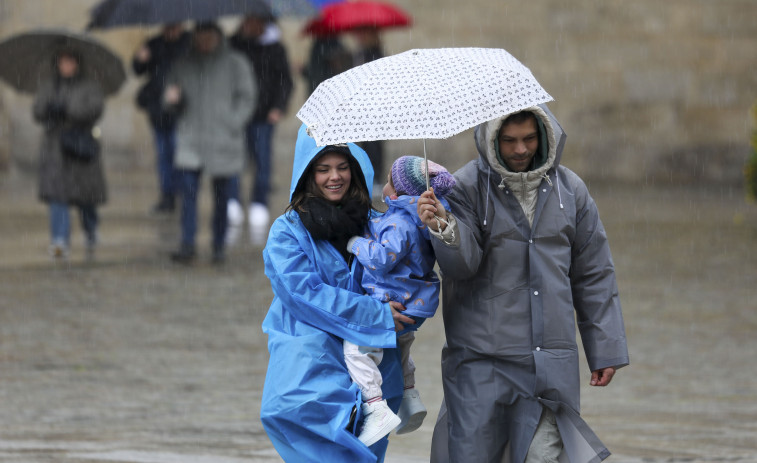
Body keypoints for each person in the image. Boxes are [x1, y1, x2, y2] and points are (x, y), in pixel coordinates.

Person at [417, 105, 630, 462]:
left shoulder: (571, 190)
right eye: (510, 140)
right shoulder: (464, 186)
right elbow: (461, 267)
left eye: (529, 139)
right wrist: (444, 227)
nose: (520, 150)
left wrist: (604, 348)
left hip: (549, 366)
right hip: (479, 362)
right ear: (492, 140)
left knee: (543, 455)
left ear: (545, 136)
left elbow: (593, 273)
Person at [260, 124, 414, 462]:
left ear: (357, 169)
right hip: (309, 372)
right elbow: (304, 295)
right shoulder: (287, 233)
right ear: (307, 173)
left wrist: (429, 224)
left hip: (374, 376)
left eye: (343, 167)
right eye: (323, 168)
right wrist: (376, 316)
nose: (335, 177)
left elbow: (410, 284)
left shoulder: (380, 225)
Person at [345, 155, 456, 445]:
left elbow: (383, 259)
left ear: (396, 191)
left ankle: (375, 405)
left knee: (355, 350)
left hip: (392, 300)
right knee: (404, 346)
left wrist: (357, 243)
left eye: (389, 180)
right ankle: (410, 396)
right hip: (413, 304)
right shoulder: (422, 220)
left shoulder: (399, 223)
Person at [163, 22, 256, 264]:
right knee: (188, 195)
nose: (204, 43)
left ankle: (218, 244)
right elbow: (170, 100)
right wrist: (173, 100)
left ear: (217, 38)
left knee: (222, 197)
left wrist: (232, 122)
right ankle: (187, 243)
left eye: (209, 38)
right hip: (191, 138)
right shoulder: (183, 64)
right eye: (200, 38)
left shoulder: (236, 63)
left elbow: (247, 97)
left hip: (223, 139)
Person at [32, 48, 106, 261]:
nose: (67, 65)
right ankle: (59, 240)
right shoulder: (49, 85)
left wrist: (68, 109)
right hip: (55, 148)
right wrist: (49, 108)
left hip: (80, 147)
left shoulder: (89, 85)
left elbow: (96, 108)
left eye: (70, 61)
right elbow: (37, 109)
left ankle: (90, 229)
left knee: (85, 198)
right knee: (57, 196)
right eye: (63, 61)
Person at [226, 14, 294, 245]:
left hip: (263, 115)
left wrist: (278, 106)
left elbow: (284, 80)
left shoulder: (275, 48)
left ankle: (259, 202)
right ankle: (232, 200)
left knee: (262, 159)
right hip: (237, 114)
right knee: (234, 159)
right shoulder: (233, 45)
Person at [132, 23, 191, 214]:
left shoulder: (189, 43)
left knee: (180, 156)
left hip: (181, 111)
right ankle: (167, 197)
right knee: (164, 156)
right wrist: (140, 59)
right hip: (158, 111)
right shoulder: (154, 43)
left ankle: (184, 195)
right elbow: (138, 69)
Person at [351, 27, 385, 184]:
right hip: (362, 107)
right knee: (365, 144)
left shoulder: (376, 54)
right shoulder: (360, 53)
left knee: (374, 144)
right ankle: (368, 175)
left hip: (374, 106)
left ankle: (375, 177)